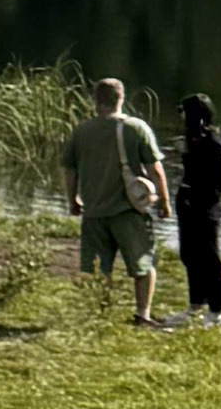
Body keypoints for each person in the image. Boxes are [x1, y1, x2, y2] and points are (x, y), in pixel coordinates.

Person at [65, 73, 170, 325]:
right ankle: (142, 314)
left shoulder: (81, 132)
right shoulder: (135, 128)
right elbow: (155, 168)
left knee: (99, 268)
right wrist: (164, 201)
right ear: (121, 98)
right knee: (142, 266)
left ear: (95, 100)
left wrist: (73, 200)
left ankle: (98, 316)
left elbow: (70, 171)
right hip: (128, 211)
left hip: (94, 211)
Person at [173, 93, 221, 329]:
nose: (181, 118)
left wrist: (205, 197)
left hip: (205, 205)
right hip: (188, 201)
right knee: (189, 254)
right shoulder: (195, 139)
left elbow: (220, 176)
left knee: (210, 259)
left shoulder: (214, 141)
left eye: (184, 113)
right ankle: (195, 306)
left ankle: (217, 312)